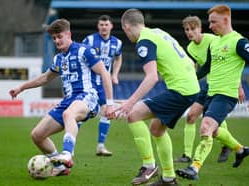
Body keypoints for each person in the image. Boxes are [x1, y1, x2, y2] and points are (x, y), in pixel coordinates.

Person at [9, 18, 115, 176]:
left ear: (68, 34)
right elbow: (45, 78)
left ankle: (67, 154)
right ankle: (59, 167)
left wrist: (109, 103)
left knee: (68, 114)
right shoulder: (58, 59)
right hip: (68, 100)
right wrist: (21, 87)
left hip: (88, 97)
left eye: (59, 36)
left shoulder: (84, 51)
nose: (57, 40)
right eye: (54, 38)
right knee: (37, 135)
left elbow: (105, 73)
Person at [112, 8, 200, 186]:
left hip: (181, 90)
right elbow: (189, 61)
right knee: (157, 129)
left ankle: (149, 166)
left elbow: (152, 77)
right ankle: (169, 178)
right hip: (189, 87)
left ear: (126, 27)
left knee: (133, 115)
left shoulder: (144, 41)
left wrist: (130, 103)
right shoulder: (157, 32)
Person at [176, 4, 249, 180]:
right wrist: (188, 79)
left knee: (206, 127)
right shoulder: (215, 42)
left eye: (213, 22)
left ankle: (194, 167)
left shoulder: (239, 41)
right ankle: (240, 149)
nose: (210, 26)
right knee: (214, 131)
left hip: (226, 95)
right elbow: (206, 67)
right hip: (210, 93)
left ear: (225, 20)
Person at [174, 15, 240, 164]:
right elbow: (197, 67)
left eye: (192, 29)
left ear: (200, 29)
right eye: (186, 29)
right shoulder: (190, 48)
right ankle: (186, 155)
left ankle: (227, 145)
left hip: (222, 85)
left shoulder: (213, 40)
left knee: (214, 118)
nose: (189, 32)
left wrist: (239, 86)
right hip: (208, 85)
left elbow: (233, 61)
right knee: (191, 116)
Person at [82, 14, 123, 156]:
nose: (104, 27)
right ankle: (69, 146)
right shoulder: (90, 40)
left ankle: (100, 146)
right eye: (101, 25)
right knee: (82, 113)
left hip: (104, 83)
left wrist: (115, 74)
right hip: (90, 82)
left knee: (107, 112)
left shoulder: (117, 43)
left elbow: (118, 58)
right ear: (98, 26)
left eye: (106, 24)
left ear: (111, 26)